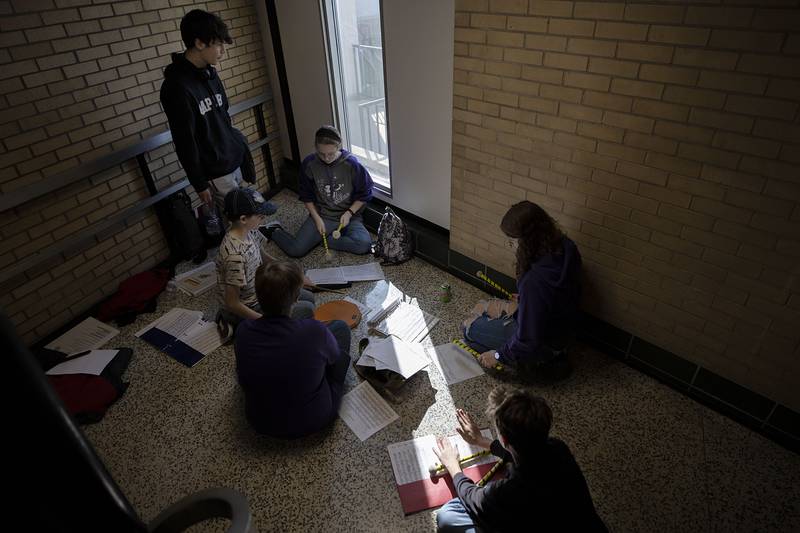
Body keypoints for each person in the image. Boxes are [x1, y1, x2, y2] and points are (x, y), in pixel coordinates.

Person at [433, 387, 606, 532]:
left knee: (447, 515)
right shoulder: (558, 447)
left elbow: (473, 497)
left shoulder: (511, 490)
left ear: (505, 439)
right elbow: (528, 452)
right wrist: (482, 441)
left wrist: (453, 467)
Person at [160, 9, 276, 220]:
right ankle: (244, 252)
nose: (223, 50)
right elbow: (184, 140)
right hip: (215, 169)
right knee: (237, 220)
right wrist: (199, 183)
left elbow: (223, 117)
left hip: (232, 158)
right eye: (219, 44)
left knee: (249, 212)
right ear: (199, 43)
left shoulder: (211, 74)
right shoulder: (176, 87)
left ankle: (253, 251)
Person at [464, 200, 581, 379]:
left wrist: (498, 355)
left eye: (512, 242)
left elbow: (528, 339)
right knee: (484, 307)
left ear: (527, 241)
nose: (511, 247)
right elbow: (555, 296)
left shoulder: (533, 281)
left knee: (468, 329)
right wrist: (529, 301)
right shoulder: (566, 246)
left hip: (543, 345)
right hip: (561, 333)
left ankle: (530, 365)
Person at [234, 260, 351, 438]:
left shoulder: (243, 331)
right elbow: (335, 358)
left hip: (261, 422)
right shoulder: (314, 331)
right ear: (297, 298)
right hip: (313, 419)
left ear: (258, 297)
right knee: (341, 330)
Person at [215, 188, 314, 335]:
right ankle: (233, 322)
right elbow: (232, 303)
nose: (264, 219)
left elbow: (263, 256)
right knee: (306, 309)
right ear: (243, 219)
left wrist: (292, 275)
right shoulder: (234, 256)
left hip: (259, 291)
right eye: (260, 216)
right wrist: (265, 322)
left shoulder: (249, 230)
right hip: (248, 307)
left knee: (308, 297)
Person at [263, 125, 373, 257]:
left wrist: (349, 213)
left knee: (364, 245)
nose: (326, 158)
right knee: (295, 251)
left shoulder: (352, 164)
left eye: (331, 154)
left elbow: (365, 193)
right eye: (322, 154)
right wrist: (317, 219)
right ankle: (274, 230)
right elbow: (306, 196)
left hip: (349, 216)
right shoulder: (309, 164)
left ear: (339, 146)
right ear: (316, 147)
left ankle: (324, 239)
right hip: (323, 216)